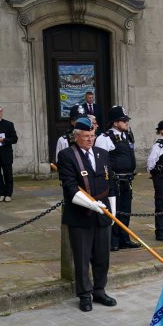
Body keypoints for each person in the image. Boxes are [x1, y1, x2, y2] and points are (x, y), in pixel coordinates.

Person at [56, 117, 116, 312]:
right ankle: (84, 294)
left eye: (92, 135)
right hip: (80, 214)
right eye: (86, 136)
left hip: (103, 212)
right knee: (82, 258)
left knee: (102, 256)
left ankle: (99, 290)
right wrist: (92, 205)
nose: (90, 139)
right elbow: (70, 188)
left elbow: (110, 182)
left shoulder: (102, 153)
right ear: (76, 137)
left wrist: (112, 209)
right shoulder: (67, 155)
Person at [95, 106, 140, 251]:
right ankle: (113, 241)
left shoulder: (127, 135)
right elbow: (100, 162)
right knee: (115, 210)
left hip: (127, 179)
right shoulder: (104, 138)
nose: (127, 123)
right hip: (114, 180)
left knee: (126, 210)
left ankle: (124, 238)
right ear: (115, 123)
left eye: (126, 120)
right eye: (123, 120)